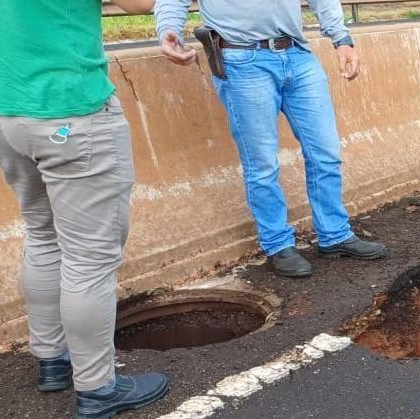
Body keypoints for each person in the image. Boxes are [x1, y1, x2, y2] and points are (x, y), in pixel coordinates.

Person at [0, 0, 170, 419]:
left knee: (42, 232)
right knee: (90, 257)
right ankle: (98, 388)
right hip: (63, 104)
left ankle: (52, 360)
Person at [155, 0, 387, 278]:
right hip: (242, 59)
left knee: (326, 152)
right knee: (262, 163)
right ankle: (278, 244)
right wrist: (169, 29)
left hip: (297, 54)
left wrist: (341, 39)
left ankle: (334, 234)